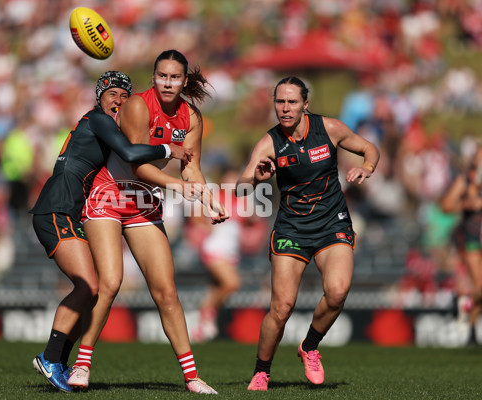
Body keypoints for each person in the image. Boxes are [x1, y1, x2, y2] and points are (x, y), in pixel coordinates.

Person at [68, 49, 227, 394]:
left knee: (166, 291)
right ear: (154, 77)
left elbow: (192, 167)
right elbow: (138, 163)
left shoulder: (192, 117)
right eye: (162, 76)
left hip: (143, 200)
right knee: (110, 282)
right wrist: (180, 188)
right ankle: (82, 364)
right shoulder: (138, 106)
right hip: (110, 193)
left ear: (185, 81)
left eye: (174, 78)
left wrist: (208, 196)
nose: (168, 83)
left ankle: (191, 377)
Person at [29, 71, 192, 392]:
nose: (118, 100)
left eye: (123, 96)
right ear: (99, 95)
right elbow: (131, 153)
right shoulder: (98, 120)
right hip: (57, 208)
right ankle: (51, 358)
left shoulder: (100, 122)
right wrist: (168, 149)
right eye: (112, 93)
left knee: (94, 287)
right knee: (90, 285)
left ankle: (57, 360)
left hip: (65, 210)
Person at [236, 76, 380, 391]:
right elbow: (241, 187)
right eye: (279, 102)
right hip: (292, 228)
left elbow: (369, 149)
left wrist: (367, 167)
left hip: (332, 223)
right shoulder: (269, 142)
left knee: (338, 292)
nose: (285, 108)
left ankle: (310, 345)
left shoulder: (329, 129)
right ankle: (262, 372)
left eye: (291, 102)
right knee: (282, 307)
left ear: (305, 104)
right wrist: (257, 178)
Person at [190, 168, 243, 343]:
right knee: (232, 283)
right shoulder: (216, 196)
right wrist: (208, 228)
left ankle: (203, 326)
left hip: (231, 250)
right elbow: (195, 214)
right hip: (215, 248)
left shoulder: (241, 200)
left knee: (215, 288)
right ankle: (207, 314)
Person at [440, 143, 482, 346]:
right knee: (480, 285)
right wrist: (467, 204)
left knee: (479, 287)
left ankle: (471, 325)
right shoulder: (466, 180)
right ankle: (469, 319)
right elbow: (446, 205)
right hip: (472, 238)